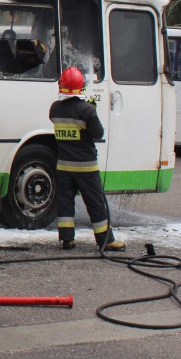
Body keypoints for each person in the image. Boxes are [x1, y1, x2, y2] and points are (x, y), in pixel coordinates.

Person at [50, 66, 122, 251]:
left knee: (65, 201)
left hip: (64, 166)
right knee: (95, 203)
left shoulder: (55, 109)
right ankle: (106, 240)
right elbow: (97, 134)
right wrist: (92, 110)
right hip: (86, 168)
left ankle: (67, 239)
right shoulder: (87, 110)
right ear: (80, 87)